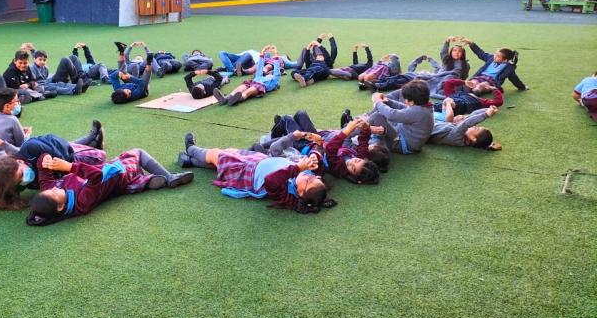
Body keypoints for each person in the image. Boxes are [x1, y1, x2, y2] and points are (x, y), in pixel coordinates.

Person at [25, 149, 194, 225]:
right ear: (61, 206)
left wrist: (45, 159)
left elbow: (42, 168)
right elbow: (96, 177)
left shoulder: (49, 189)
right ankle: (168, 177)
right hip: (116, 174)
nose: (53, 189)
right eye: (54, 194)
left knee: (125, 182)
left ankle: (142, 182)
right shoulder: (82, 203)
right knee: (137, 153)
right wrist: (69, 167)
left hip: (112, 180)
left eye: (49, 190)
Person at [179, 133, 334, 213]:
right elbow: (319, 161)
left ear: (300, 193)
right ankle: (189, 161)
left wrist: (298, 168)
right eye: (314, 178)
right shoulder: (306, 175)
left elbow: (271, 180)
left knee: (216, 155)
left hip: (245, 173)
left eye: (308, 182)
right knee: (228, 152)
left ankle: (191, 148)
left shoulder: (286, 196)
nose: (309, 176)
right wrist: (317, 153)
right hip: (258, 160)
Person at [367, 80, 435, 154]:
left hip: (401, 144)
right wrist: (388, 101)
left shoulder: (418, 112)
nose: (405, 100)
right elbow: (404, 108)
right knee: (381, 115)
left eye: (406, 99)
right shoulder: (425, 107)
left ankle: (361, 130)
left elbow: (391, 115)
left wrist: (378, 102)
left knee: (377, 116)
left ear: (412, 102)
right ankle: (375, 136)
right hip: (406, 139)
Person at [322, 117, 381, 185]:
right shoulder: (362, 158)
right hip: (335, 143)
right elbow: (363, 141)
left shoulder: (339, 169)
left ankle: (339, 129)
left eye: (352, 168)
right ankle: (339, 128)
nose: (351, 162)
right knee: (346, 132)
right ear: (364, 159)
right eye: (357, 160)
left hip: (319, 144)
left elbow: (330, 149)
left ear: (353, 176)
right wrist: (366, 127)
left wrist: (346, 132)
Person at [213, 53, 281, 107]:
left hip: (260, 86)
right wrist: (261, 57)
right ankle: (226, 98)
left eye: (271, 73)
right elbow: (260, 68)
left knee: (250, 90)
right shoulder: (259, 76)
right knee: (242, 87)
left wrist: (276, 60)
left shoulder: (274, 81)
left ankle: (237, 99)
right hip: (252, 82)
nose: (269, 73)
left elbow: (277, 73)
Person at [430, 104, 502, 149]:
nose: (474, 126)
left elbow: (466, 123)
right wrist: (488, 110)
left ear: (473, 139)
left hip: (423, 129)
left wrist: (486, 115)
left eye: (476, 129)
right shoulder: (464, 135)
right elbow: (472, 115)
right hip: (431, 123)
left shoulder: (457, 139)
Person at [433, 78, 504, 117]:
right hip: (447, 106)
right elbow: (448, 83)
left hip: (456, 107)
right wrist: (464, 82)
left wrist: (495, 89)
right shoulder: (480, 102)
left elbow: (498, 102)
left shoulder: (480, 102)